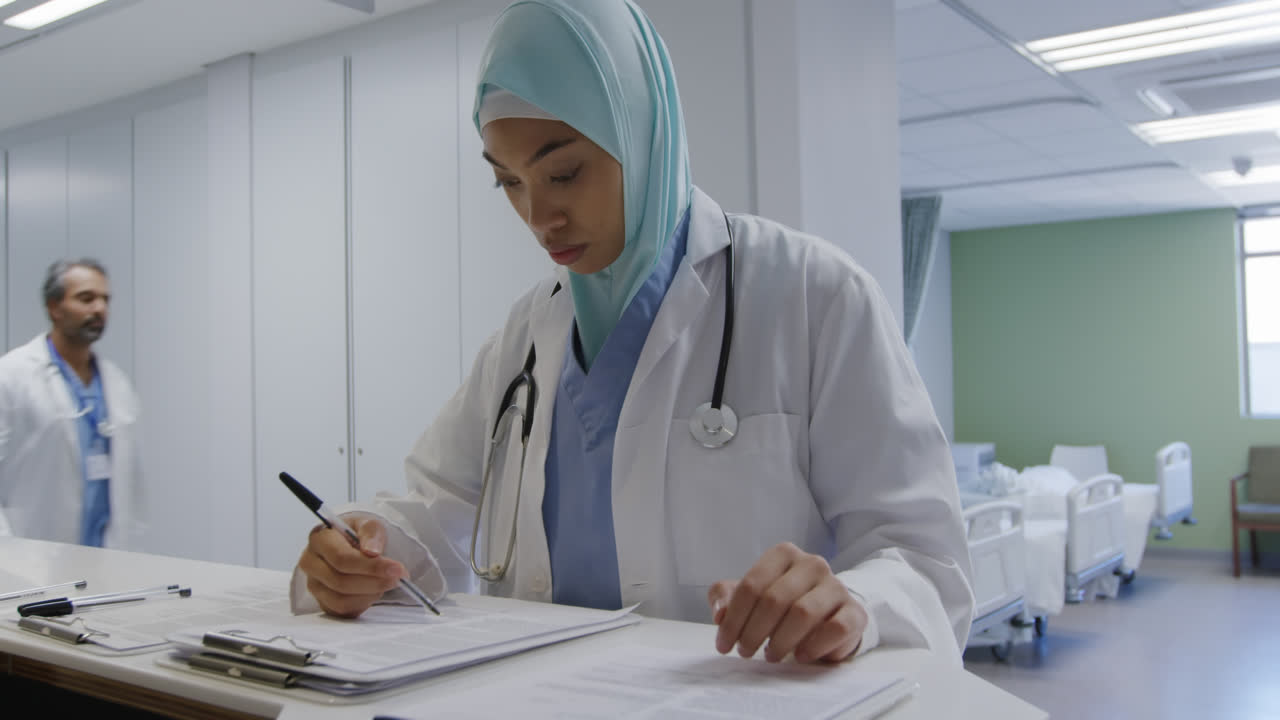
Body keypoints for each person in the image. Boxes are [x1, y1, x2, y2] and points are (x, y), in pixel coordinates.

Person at [295, 0, 973, 664]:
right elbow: (433, 510)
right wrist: (368, 546)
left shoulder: (813, 295)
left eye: (564, 173)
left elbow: (926, 565)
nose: (539, 218)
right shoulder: (524, 338)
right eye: (508, 182)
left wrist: (853, 603)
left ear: (641, 130)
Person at [0, 259, 145, 548]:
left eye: (105, 299)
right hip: (33, 554)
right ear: (54, 307)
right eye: (86, 298)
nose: (99, 309)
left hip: (107, 553)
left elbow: (130, 482)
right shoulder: (12, 375)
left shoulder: (116, 383)